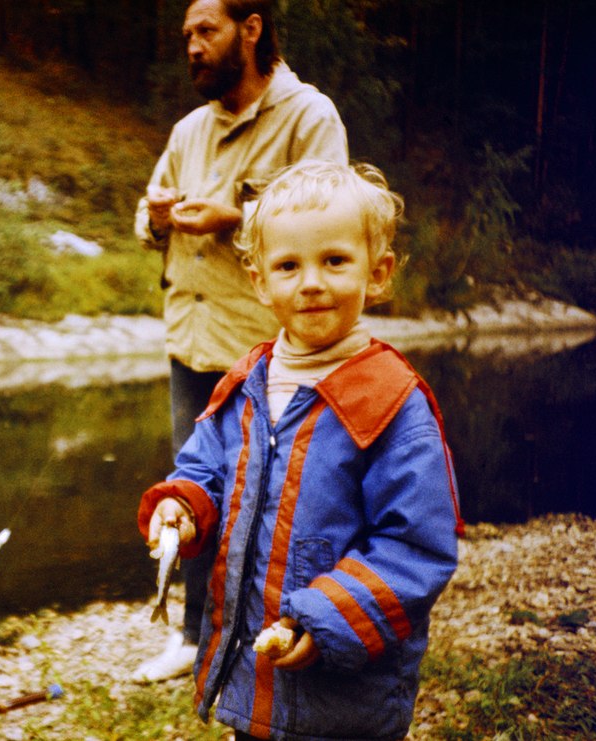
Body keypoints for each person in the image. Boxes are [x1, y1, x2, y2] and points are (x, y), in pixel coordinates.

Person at [137, 160, 464, 740]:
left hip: (344, 695)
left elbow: (415, 545)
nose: (311, 282)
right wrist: (183, 506)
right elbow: (204, 466)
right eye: (289, 265)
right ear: (260, 281)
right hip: (252, 671)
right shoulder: (247, 381)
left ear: (379, 272)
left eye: (335, 261)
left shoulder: (394, 401)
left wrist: (330, 617)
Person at [133, 0, 348, 682]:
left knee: (281, 498)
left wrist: (236, 216)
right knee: (191, 492)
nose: (192, 46)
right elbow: (145, 219)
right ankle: (195, 637)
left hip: (269, 351)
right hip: (190, 340)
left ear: (249, 29)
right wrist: (158, 217)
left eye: (207, 31)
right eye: (186, 36)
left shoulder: (309, 116)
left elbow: (329, 213)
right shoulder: (189, 129)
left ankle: (287, 632)